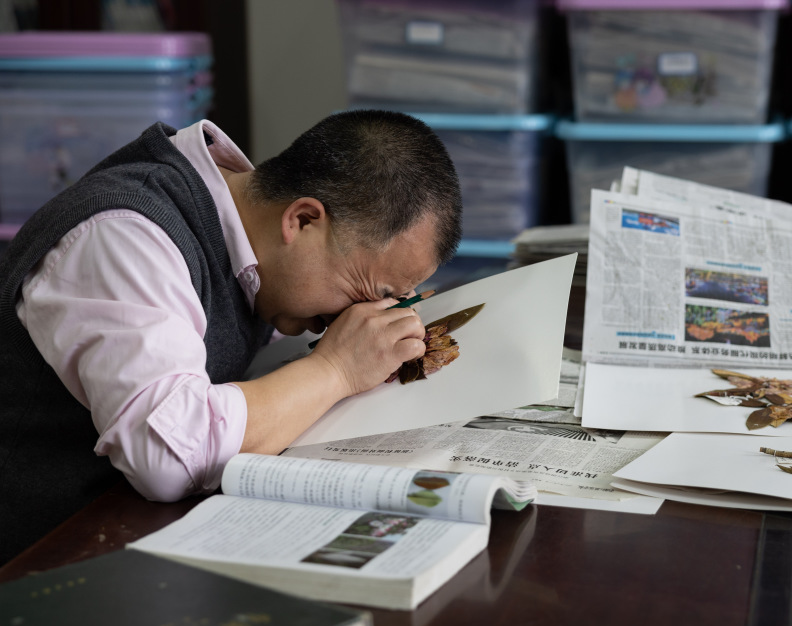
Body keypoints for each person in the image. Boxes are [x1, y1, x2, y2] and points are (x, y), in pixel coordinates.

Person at [0, 109, 463, 564]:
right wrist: (337, 370)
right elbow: (168, 457)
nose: (363, 314)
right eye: (373, 292)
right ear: (301, 220)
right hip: (35, 563)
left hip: (132, 541)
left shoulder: (255, 246)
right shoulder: (126, 236)